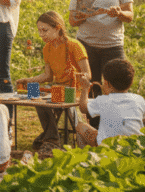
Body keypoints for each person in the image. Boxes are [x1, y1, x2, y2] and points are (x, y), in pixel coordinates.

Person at [68, 0, 134, 125]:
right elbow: (72, 21)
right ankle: (95, 129)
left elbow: (130, 15)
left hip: (112, 45)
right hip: (87, 44)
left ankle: (118, 125)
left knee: (117, 86)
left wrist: (119, 13)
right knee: (92, 88)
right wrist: (80, 17)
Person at [15, 11, 92, 149]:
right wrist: (28, 80)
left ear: (58, 28)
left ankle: (50, 138)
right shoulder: (47, 48)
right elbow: (47, 76)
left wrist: (75, 76)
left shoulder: (74, 45)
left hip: (74, 91)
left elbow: (87, 74)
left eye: (45, 30)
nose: (41, 34)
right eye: (39, 31)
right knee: (33, 93)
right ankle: (52, 137)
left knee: (49, 96)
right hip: (58, 89)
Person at [75, 59, 145, 147]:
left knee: (80, 126)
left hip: (107, 145)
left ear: (107, 84)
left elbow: (83, 108)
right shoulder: (139, 99)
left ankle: (87, 157)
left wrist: (85, 88)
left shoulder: (103, 100)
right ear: (131, 82)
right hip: (133, 145)